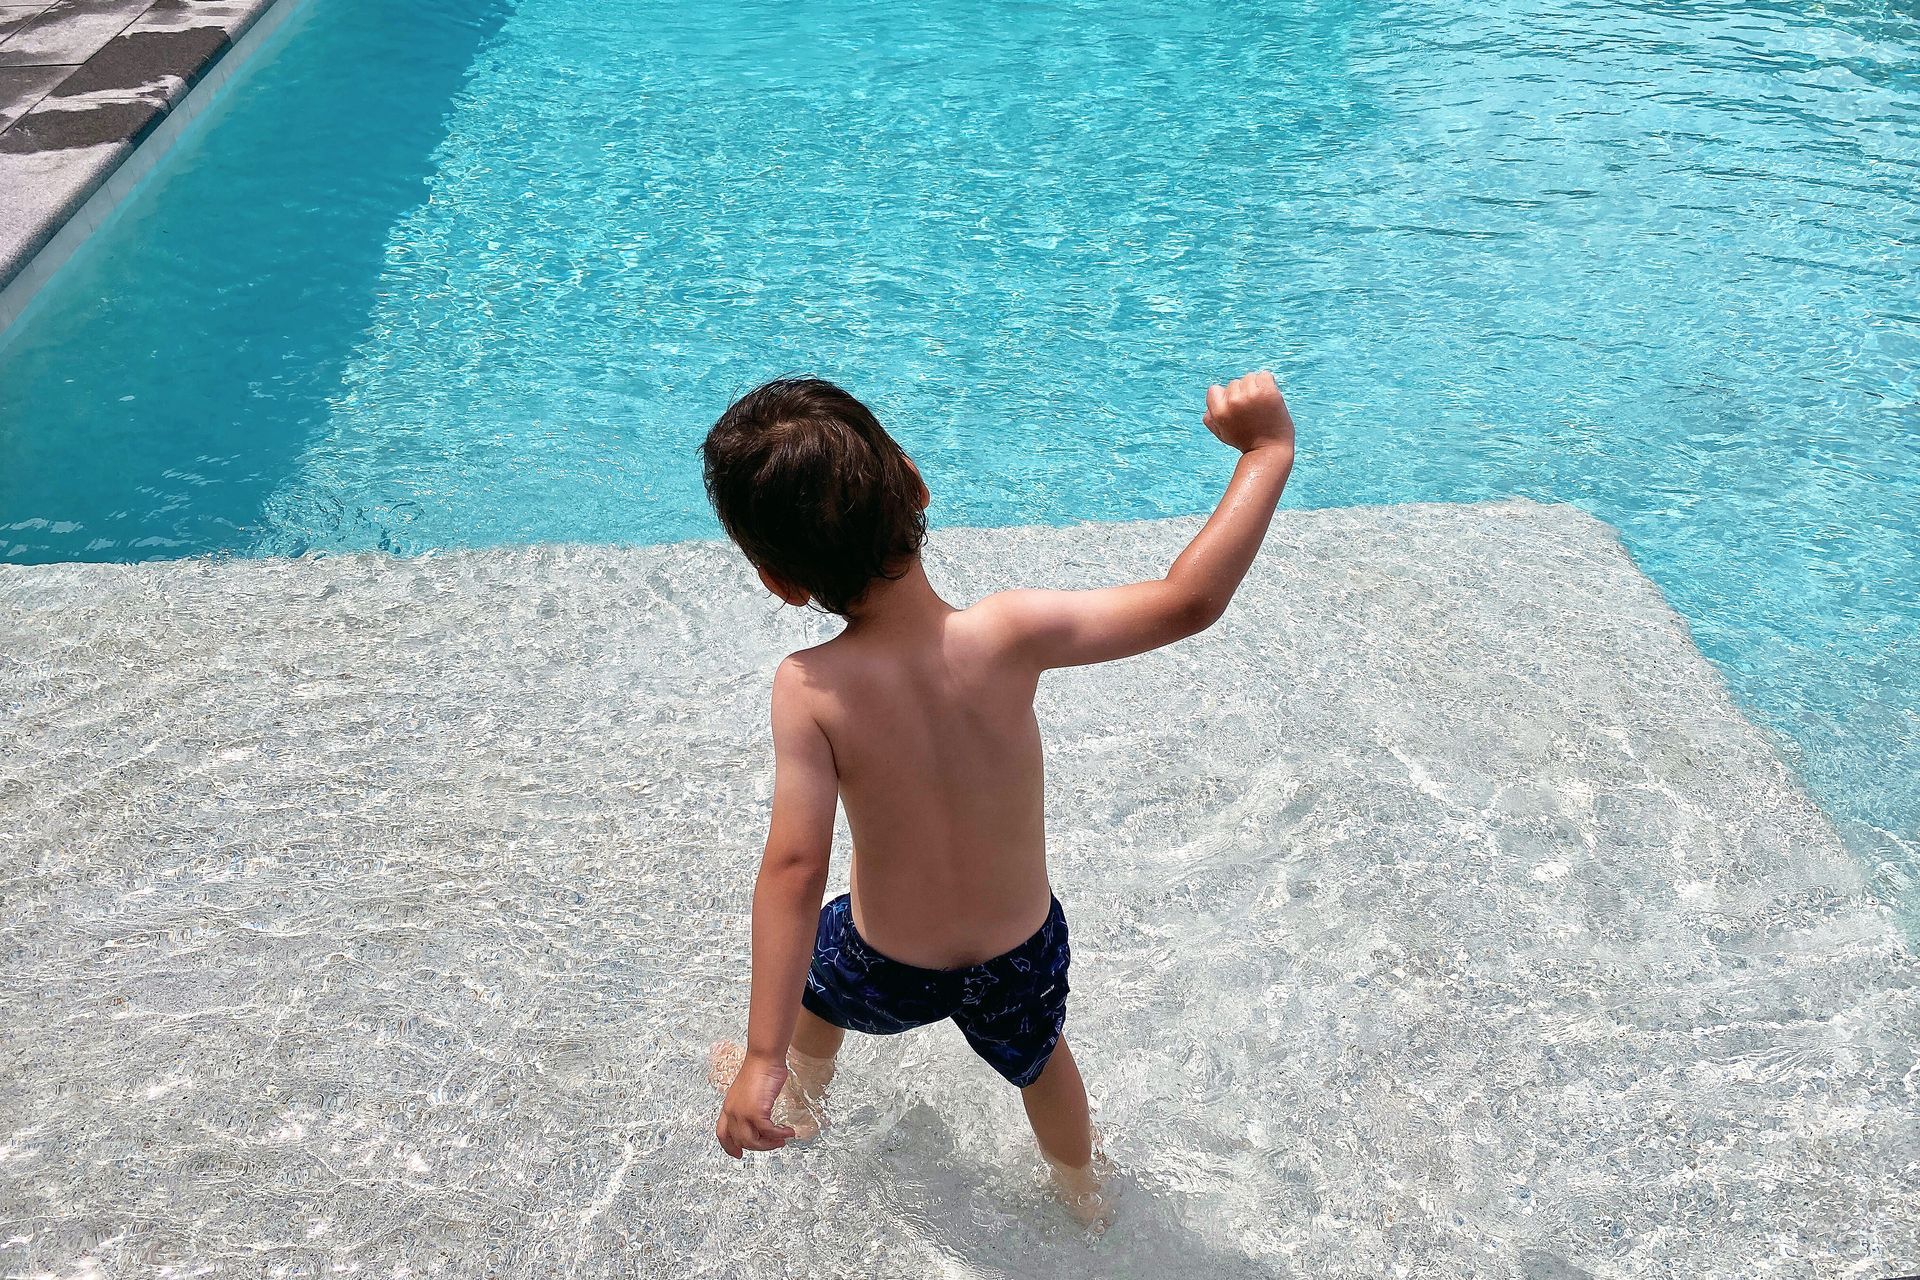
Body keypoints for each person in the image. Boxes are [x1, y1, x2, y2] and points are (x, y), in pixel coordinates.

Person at [703, 371, 1296, 1224]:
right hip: (1017, 952)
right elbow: (1188, 602)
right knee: (1043, 1063)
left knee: (817, 991)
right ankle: (1084, 1196)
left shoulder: (809, 688)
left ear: (778, 581)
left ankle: (794, 1092)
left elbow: (795, 869)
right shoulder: (1009, 632)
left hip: (886, 959)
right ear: (915, 483)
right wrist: (1266, 451)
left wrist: (759, 1054)